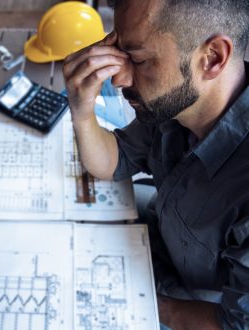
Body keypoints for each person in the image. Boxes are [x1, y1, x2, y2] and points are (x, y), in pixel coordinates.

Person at [62, 0, 249, 329]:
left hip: (200, 303)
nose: (118, 77)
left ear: (212, 58)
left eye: (137, 58)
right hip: (163, 240)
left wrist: (135, 297)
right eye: (117, 51)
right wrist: (81, 108)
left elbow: (234, 323)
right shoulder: (174, 102)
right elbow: (114, 161)